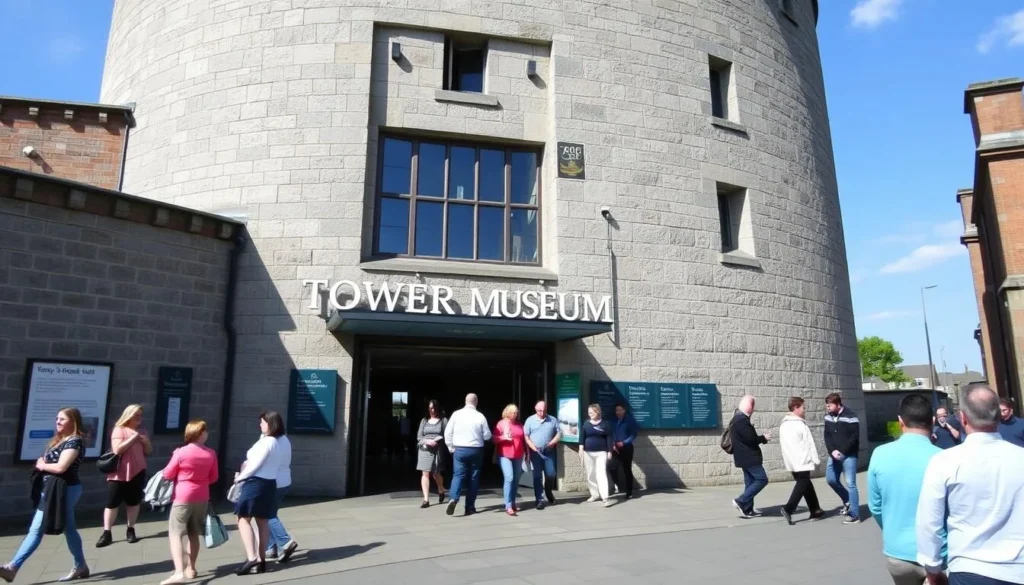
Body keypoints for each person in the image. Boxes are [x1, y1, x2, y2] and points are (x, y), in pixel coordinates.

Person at [917, 385, 1024, 585]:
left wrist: (932, 568)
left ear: (962, 418)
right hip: (1017, 569)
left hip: (968, 568)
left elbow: (928, 522)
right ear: (998, 416)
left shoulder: (944, 461)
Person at [0, 408, 89, 583]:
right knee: (69, 529)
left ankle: (12, 567)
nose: (57, 422)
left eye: (62, 419)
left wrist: (42, 465)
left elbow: (61, 468)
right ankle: (81, 566)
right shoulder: (60, 440)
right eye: (57, 418)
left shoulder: (74, 442)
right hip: (53, 489)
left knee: (36, 529)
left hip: (64, 490)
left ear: (73, 421)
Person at [867, 394, 942, 585]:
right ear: (933, 421)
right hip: (941, 554)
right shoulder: (944, 458)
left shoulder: (880, 454)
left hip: (898, 552)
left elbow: (875, 507)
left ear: (900, 422)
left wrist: (893, 529)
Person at [159, 420, 219, 585]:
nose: (207, 433)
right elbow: (214, 477)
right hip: (202, 496)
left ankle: (179, 571)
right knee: (194, 533)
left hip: (183, 496)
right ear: (200, 433)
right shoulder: (211, 453)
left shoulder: (180, 452)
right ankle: (191, 568)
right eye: (205, 431)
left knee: (176, 533)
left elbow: (168, 474)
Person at [231, 411, 285, 576]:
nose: (260, 425)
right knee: (262, 521)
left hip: (255, 483)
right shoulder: (277, 442)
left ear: (271, 424)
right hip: (269, 483)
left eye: (263, 422)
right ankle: (261, 560)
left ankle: (252, 557)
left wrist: (240, 478)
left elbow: (255, 464)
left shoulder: (266, 442)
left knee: (242, 518)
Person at [97, 404, 152, 548]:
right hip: (119, 473)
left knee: (133, 502)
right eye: (136, 415)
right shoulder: (119, 430)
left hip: (138, 471)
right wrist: (133, 438)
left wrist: (146, 442)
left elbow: (148, 451)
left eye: (140, 415)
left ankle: (130, 529)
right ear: (128, 415)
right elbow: (117, 450)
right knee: (112, 503)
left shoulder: (142, 431)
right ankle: (107, 532)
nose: (139, 418)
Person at [443, 393, 491, 517]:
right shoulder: (480, 416)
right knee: (474, 477)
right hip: (476, 450)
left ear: (465, 401)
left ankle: (453, 498)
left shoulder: (456, 414)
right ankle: (469, 507)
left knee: (458, 475)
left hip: (459, 449)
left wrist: (450, 447)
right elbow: (487, 435)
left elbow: (448, 432)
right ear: (476, 402)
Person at [778, 396, 824, 525]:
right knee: (802, 484)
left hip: (792, 461)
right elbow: (809, 443)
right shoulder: (800, 424)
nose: (805, 410)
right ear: (795, 408)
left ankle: (815, 509)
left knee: (805, 484)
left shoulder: (783, 425)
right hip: (803, 459)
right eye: (803, 407)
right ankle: (789, 508)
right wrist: (816, 459)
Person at [824, 392, 861, 524]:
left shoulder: (851, 416)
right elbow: (827, 436)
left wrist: (842, 451)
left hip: (849, 455)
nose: (827, 408)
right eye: (827, 406)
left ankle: (854, 514)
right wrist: (832, 450)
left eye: (830, 405)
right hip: (833, 455)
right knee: (831, 479)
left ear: (838, 404)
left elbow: (854, 437)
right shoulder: (827, 417)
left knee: (850, 483)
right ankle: (848, 501)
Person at [265, 417, 298, 564]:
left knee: (266, 514)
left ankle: (285, 542)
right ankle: (270, 548)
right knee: (270, 513)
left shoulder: (271, 440)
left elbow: (263, 460)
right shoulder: (284, 439)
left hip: (272, 481)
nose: (260, 425)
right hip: (284, 481)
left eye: (262, 422)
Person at [523, 401, 560, 509]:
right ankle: (539, 499)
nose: (542, 412)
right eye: (539, 410)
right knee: (537, 476)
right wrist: (532, 447)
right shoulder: (530, 420)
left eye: (544, 410)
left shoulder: (552, 420)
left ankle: (548, 490)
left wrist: (554, 441)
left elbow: (559, 432)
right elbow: (526, 436)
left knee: (551, 473)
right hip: (536, 452)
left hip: (548, 452)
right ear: (535, 409)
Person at [493, 404, 526, 516]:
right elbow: (494, 438)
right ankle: (508, 505)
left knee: (516, 479)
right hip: (505, 454)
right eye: (513, 412)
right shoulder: (501, 424)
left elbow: (523, 439)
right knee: (509, 477)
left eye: (516, 412)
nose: (515, 414)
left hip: (518, 454)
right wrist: (504, 438)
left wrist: (526, 453)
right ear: (507, 412)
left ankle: (513, 502)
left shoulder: (519, 424)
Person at [579, 404, 614, 507]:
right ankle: (594, 494)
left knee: (601, 473)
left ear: (598, 412)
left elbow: (609, 438)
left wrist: (610, 451)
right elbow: (582, 437)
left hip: (601, 453)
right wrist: (581, 448)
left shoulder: (605, 424)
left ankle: (605, 497)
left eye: (592, 412)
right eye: (589, 412)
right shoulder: (586, 424)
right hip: (588, 453)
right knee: (590, 474)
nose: (591, 414)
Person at [415, 400, 448, 509]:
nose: (432, 410)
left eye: (434, 408)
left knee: (436, 473)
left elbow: (447, 434)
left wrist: (439, 440)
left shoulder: (443, 421)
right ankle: (426, 499)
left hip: (437, 449)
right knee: (425, 473)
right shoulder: (424, 421)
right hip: (424, 449)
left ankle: (441, 489)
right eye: (430, 408)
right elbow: (419, 437)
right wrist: (427, 441)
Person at [611, 404, 639, 500]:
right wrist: (613, 444)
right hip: (615, 448)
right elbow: (612, 433)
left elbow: (633, 434)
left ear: (624, 410)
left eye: (620, 410)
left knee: (627, 469)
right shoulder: (613, 420)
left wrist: (624, 442)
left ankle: (629, 492)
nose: (618, 412)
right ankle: (616, 485)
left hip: (626, 448)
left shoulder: (629, 420)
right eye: (616, 410)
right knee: (612, 466)